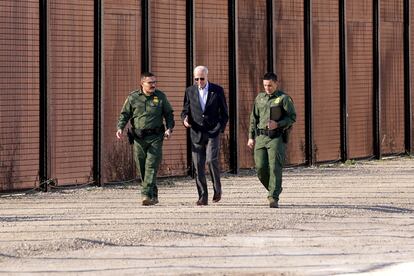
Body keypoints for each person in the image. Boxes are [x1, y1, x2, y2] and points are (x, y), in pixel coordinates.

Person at [116, 72, 175, 206]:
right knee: (142, 167)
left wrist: (169, 128)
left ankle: (145, 194)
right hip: (138, 138)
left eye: (155, 82)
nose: (153, 85)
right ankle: (153, 194)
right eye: (150, 83)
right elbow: (125, 114)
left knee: (151, 165)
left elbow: (169, 114)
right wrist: (120, 127)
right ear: (142, 83)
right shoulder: (133, 97)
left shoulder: (160, 97)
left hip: (156, 137)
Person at [247, 72, 296, 208]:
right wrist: (251, 137)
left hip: (276, 137)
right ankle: (274, 188)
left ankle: (273, 197)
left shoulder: (283, 98)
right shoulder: (260, 98)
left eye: (270, 85)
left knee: (275, 167)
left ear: (276, 84)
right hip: (261, 137)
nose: (267, 88)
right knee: (260, 167)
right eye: (265, 85)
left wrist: (278, 124)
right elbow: (253, 118)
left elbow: (292, 117)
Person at [181, 65, 229, 205]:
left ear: (207, 77)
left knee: (211, 160)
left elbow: (224, 113)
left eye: (202, 78)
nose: (200, 81)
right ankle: (203, 196)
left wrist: (219, 129)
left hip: (213, 131)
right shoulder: (189, 91)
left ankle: (217, 189)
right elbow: (185, 110)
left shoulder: (217, 90)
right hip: (196, 132)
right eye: (197, 79)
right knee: (198, 165)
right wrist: (184, 119)